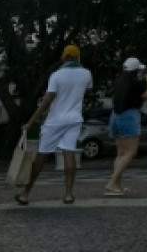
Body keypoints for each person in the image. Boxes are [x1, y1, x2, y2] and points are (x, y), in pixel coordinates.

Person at [15, 44, 93, 205]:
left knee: (42, 155)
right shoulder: (86, 74)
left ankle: (25, 193)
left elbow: (46, 101)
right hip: (74, 118)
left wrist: (31, 122)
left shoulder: (56, 75)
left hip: (55, 120)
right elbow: (87, 89)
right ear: (78, 57)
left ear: (64, 57)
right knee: (69, 153)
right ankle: (68, 194)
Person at [104, 57, 147, 197]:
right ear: (136, 70)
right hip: (129, 116)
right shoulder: (135, 83)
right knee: (131, 152)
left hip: (115, 116)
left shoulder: (118, 81)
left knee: (120, 153)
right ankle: (112, 183)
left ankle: (117, 185)